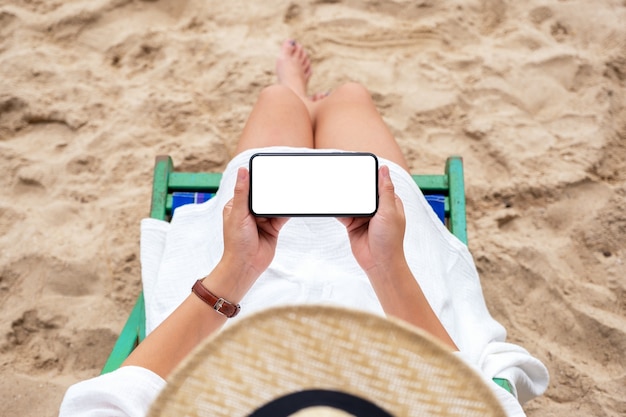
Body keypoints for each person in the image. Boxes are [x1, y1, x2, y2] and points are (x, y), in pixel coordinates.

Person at [59, 40, 548, 416]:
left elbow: (111, 398)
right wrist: (387, 267)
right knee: (350, 100)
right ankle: (316, 103)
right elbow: (481, 403)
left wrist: (235, 269)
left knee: (278, 104)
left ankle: (294, 94)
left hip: (248, 292)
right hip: (386, 289)